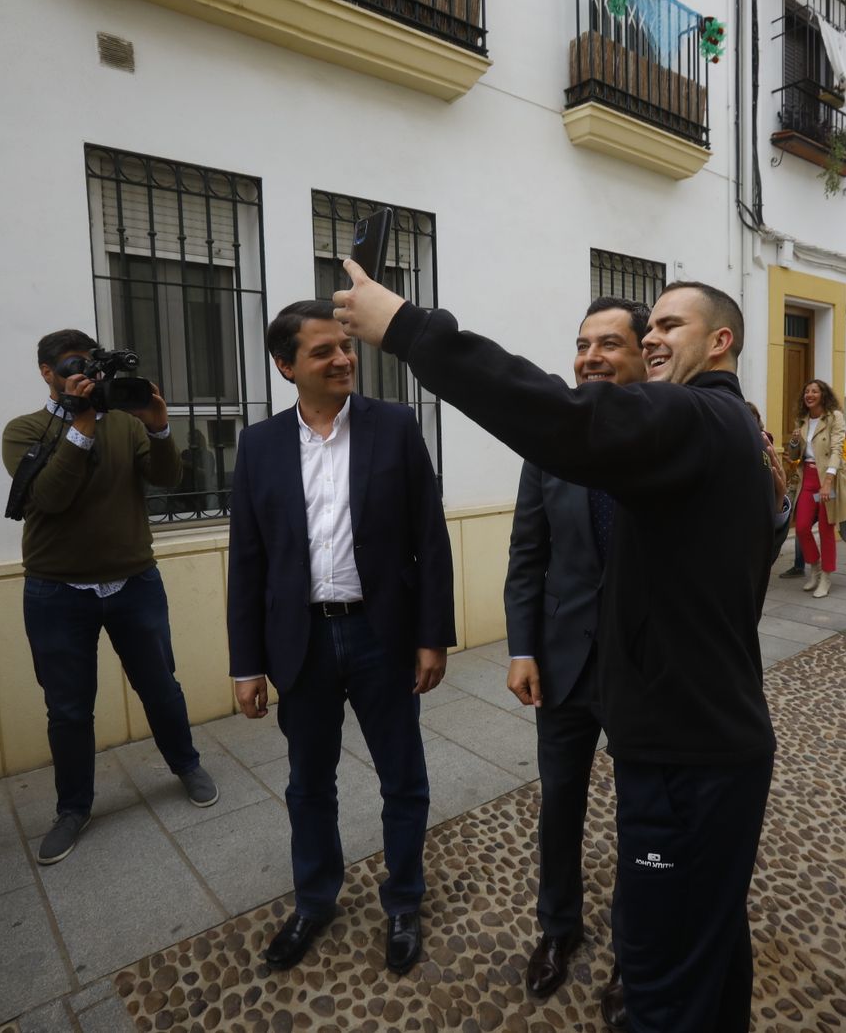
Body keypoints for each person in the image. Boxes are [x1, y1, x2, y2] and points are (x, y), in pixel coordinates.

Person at [335, 268, 783, 1033]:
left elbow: (561, 416)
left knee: (661, 979)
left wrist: (410, 329)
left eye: (667, 327)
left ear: (720, 341)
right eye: (649, 327)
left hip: (686, 752)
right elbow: (544, 548)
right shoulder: (725, 427)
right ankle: (563, 927)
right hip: (691, 730)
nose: (652, 338)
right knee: (709, 954)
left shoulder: (694, 417)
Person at [226, 300, 454, 977]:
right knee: (308, 784)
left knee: (403, 779)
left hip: (382, 637)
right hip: (302, 643)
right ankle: (314, 900)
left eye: (344, 347)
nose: (343, 359)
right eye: (322, 351)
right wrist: (246, 663)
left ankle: (404, 902)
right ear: (285, 366)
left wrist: (433, 636)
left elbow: (430, 538)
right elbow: (248, 561)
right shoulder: (260, 446)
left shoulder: (395, 426)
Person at [2, 329, 218, 866]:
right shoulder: (24, 430)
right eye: (71, 366)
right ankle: (73, 808)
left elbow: (167, 478)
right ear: (46, 373)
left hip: (133, 582)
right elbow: (49, 498)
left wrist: (160, 427)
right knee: (69, 709)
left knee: (161, 687)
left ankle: (187, 765)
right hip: (56, 591)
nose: (85, 375)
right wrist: (80, 426)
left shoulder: (124, 423)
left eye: (90, 365)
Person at [504, 297, 649, 1012]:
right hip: (562, 663)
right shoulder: (550, 442)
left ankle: (635, 953)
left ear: (645, 355)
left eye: (609, 344)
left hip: (644, 667)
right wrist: (522, 649)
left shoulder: (667, 436)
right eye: (584, 344)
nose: (591, 357)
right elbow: (527, 555)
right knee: (560, 803)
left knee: (642, 816)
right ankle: (558, 929)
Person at [779, 431, 846, 587]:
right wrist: (795, 459)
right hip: (818, 493)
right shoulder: (815, 435)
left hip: (838, 496)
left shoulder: (840, 439)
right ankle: (799, 566)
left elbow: (844, 467)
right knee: (802, 528)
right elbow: (811, 461)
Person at [787, 380, 846, 599]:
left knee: (826, 529)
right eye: (807, 391)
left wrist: (827, 482)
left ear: (823, 395)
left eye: (814, 391)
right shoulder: (802, 420)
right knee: (802, 527)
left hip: (828, 478)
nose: (809, 395)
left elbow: (837, 450)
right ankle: (815, 567)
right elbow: (795, 456)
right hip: (807, 478)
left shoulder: (834, 417)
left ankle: (826, 576)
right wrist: (794, 442)